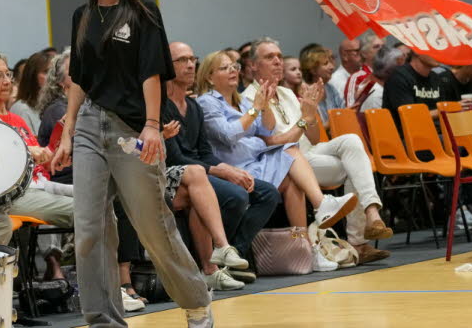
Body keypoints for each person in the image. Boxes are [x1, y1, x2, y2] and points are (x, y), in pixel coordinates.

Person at [50, 0, 212, 328]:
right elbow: (80, 79)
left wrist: (153, 126)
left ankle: (196, 301)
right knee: (88, 228)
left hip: (132, 132)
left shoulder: (142, 12)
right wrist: (68, 131)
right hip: (89, 125)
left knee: (152, 225)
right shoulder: (82, 16)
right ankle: (103, 321)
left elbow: (150, 74)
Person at [195, 50, 351, 273]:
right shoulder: (207, 102)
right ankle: (318, 212)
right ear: (209, 77)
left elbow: (266, 129)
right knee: (290, 154)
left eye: (234, 67)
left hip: (255, 163)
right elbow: (228, 135)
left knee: (293, 176)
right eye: (224, 68)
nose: (232, 71)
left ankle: (306, 248)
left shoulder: (240, 102)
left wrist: (266, 104)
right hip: (233, 169)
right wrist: (257, 107)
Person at [244, 38, 392, 264]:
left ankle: (372, 213)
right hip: (282, 161)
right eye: (269, 57)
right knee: (353, 167)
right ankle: (358, 242)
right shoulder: (248, 97)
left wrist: (311, 115)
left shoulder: (286, 93)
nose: (277, 62)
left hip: (306, 153)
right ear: (253, 65)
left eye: (279, 57)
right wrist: (305, 120)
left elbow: (312, 137)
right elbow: (269, 141)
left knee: (352, 142)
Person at [0, 51, 74, 279]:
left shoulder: (17, 120)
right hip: (12, 197)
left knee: (101, 201)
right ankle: (94, 286)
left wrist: (57, 150)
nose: (7, 81)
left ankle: (106, 282)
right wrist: (31, 153)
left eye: (8, 74)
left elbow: (43, 163)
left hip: (41, 184)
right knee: (87, 211)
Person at [165, 42, 278, 287]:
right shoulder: (162, 106)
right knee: (235, 195)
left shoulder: (193, 106)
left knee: (266, 191)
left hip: (200, 170)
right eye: (182, 60)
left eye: (192, 58)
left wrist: (230, 169)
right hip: (176, 174)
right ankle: (219, 256)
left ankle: (231, 253)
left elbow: (204, 152)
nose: (190, 65)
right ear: (166, 66)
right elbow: (175, 158)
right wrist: (222, 169)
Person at [11, 50, 53, 135]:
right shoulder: (22, 109)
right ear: (32, 76)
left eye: (53, 72)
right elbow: (28, 145)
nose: (51, 77)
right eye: (46, 72)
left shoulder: (50, 105)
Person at [299, 44, 344, 122]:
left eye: (331, 62)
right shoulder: (305, 92)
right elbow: (310, 126)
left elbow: (343, 112)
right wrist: (334, 121)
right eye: (326, 64)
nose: (332, 67)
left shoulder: (330, 88)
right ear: (313, 70)